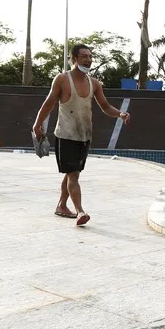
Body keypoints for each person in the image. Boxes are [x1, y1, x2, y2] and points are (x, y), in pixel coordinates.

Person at [31, 44, 131, 226]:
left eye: (91, 56)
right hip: (66, 135)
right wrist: (37, 125)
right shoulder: (62, 79)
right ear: (74, 59)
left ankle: (61, 205)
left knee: (71, 174)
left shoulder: (94, 83)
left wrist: (120, 114)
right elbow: (48, 104)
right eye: (84, 56)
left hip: (84, 136)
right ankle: (80, 211)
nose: (89, 60)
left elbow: (106, 107)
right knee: (74, 175)